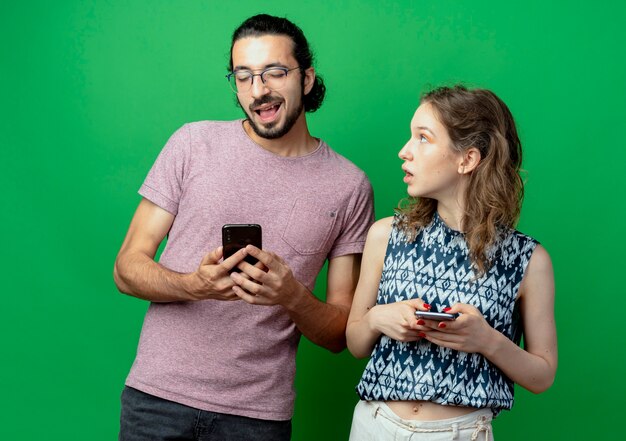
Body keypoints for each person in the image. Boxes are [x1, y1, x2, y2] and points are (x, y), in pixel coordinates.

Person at [113, 14, 374, 441]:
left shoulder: (348, 186)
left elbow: (339, 332)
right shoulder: (192, 144)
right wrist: (193, 285)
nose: (259, 91)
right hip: (156, 402)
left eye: (274, 72)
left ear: (306, 78)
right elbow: (126, 268)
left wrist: (291, 296)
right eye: (244, 76)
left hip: (257, 419)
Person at [346, 85, 557, 440]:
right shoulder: (385, 236)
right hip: (374, 425)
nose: (404, 151)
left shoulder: (530, 260)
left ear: (468, 159)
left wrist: (487, 340)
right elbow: (355, 342)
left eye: (423, 138)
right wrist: (378, 318)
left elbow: (543, 375)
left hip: (461, 432)